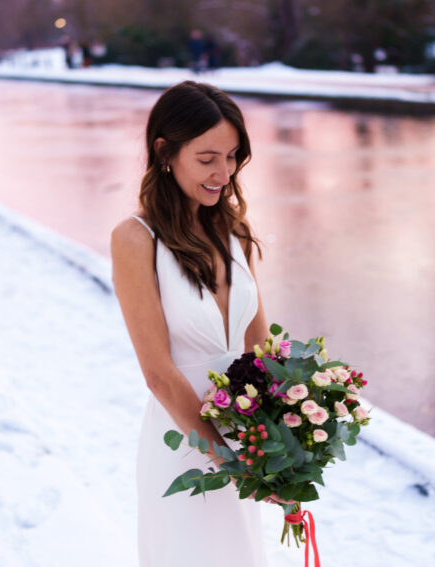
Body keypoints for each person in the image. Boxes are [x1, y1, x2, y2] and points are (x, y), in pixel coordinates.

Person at [111, 81, 289, 566]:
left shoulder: (232, 228)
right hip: (184, 442)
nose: (223, 173)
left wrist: (280, 443)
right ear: (165, 152)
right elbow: (158, 373)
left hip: (243, 431)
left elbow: (259, 343)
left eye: (232, 157)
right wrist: (231, 462)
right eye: (207, 158)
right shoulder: (135, 238)